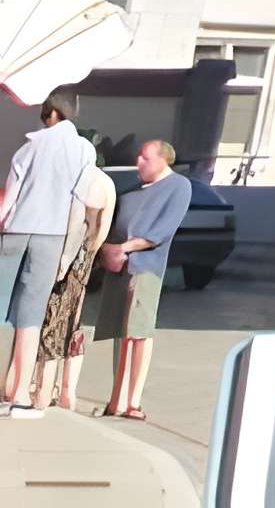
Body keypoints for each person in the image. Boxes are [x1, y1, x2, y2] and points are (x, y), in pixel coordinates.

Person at [0, 101, 97, 417]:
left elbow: (10, 197)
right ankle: (19, 396)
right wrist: (68, 254)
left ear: (51, 113)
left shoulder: (29, 147)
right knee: (30, 317)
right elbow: (80, 203)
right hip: (52, 235)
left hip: (16, 230)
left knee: (1, 308)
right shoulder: (84, 150)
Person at [97, 141, 185, 420]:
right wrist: (106, 251)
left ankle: (132, 401)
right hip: (119, 268)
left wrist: (123, 248)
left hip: (144, 268)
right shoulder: (133, 191)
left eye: (145, 158)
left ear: (163, 159)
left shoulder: (178, 186)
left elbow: (160, 232)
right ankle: (116, 400)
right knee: (121, 333)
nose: (139, 162)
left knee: (138, 332)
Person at [34, 152, 111, 409]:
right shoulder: (107, 183)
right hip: (85, 264)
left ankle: (44, 391)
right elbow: (101, 230)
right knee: (74, 326)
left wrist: (63, 263)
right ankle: (68, 392)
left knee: (52, 326)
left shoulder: (83, 181)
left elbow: (75, 226)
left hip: (68, 263)